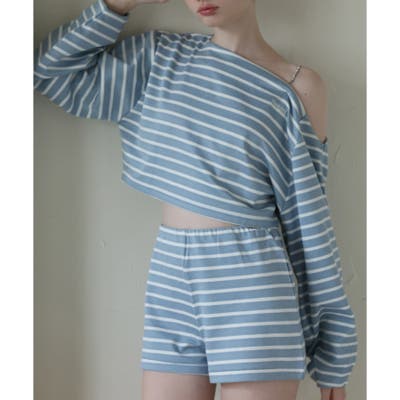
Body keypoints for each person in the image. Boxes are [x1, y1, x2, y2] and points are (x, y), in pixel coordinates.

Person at [33, 0, 358, 399]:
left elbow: (309, 224)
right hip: (170, 275)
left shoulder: (298, 86)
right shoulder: (158, 58)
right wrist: (118, 4)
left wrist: (333, 354)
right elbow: (50, 72)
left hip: (252, 283)